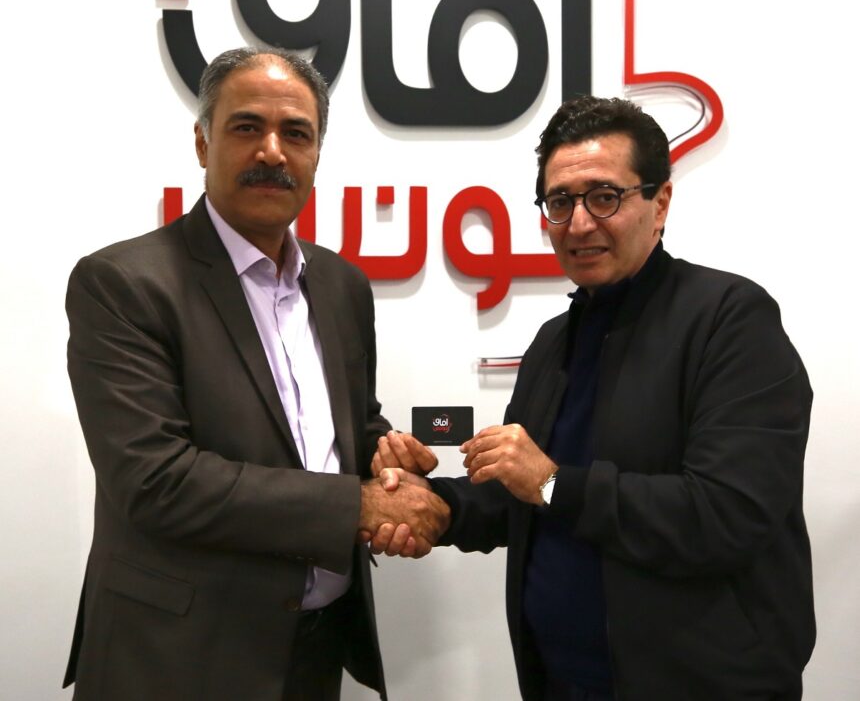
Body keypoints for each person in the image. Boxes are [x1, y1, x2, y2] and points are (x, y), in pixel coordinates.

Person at [372, 96, 815, 700]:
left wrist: (553, 483)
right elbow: (520, 498)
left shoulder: (730, 321)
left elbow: (726, 515)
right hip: (562, 684)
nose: (579, 224)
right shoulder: (554, 342)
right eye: (560, 202)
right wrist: (433, 504)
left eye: (604, 197)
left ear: (660, 202)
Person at [63, 46, 449, 701]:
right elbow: (156, 480)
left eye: (296, 133)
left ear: (317, 154)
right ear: (202, 141)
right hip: (176, 659)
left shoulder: (342, 285)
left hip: (314, 651)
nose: (272, 151)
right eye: (247, 126)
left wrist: (384, 457)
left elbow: (346, 423)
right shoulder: (123, 283)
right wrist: (361, 504)